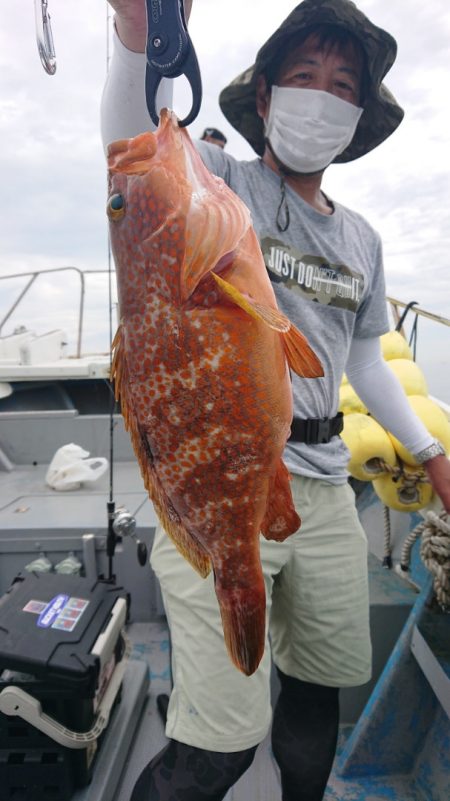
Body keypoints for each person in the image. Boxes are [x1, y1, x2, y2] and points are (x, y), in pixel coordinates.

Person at [101, 1, 450, 799]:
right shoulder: (219, 185)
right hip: (221, 484)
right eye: (303, 78)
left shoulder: (362, 239)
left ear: (357, 117)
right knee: (219, 745)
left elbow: (364, 354)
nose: (321, 96)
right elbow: (129, 150)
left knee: (316, 695)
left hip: (323, 486)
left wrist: (433, 454)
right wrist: (134, 32)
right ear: (264, 98)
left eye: (341, 86)